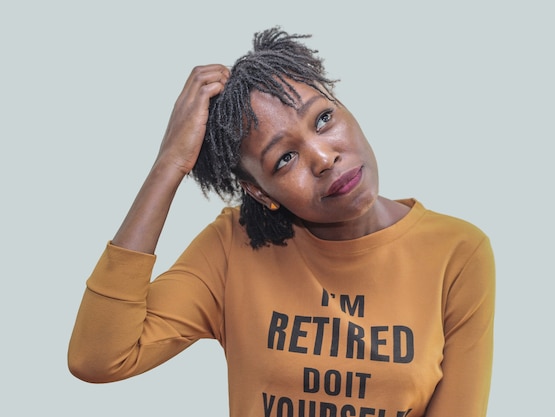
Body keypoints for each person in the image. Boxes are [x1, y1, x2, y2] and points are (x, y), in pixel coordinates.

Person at [68, 27, 495, 417]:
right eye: (284, 158)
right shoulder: (233, 247)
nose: (324, 158)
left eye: (324, 119)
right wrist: (170, 164)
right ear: (260, 192)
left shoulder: (457, 251)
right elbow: (99, 357)